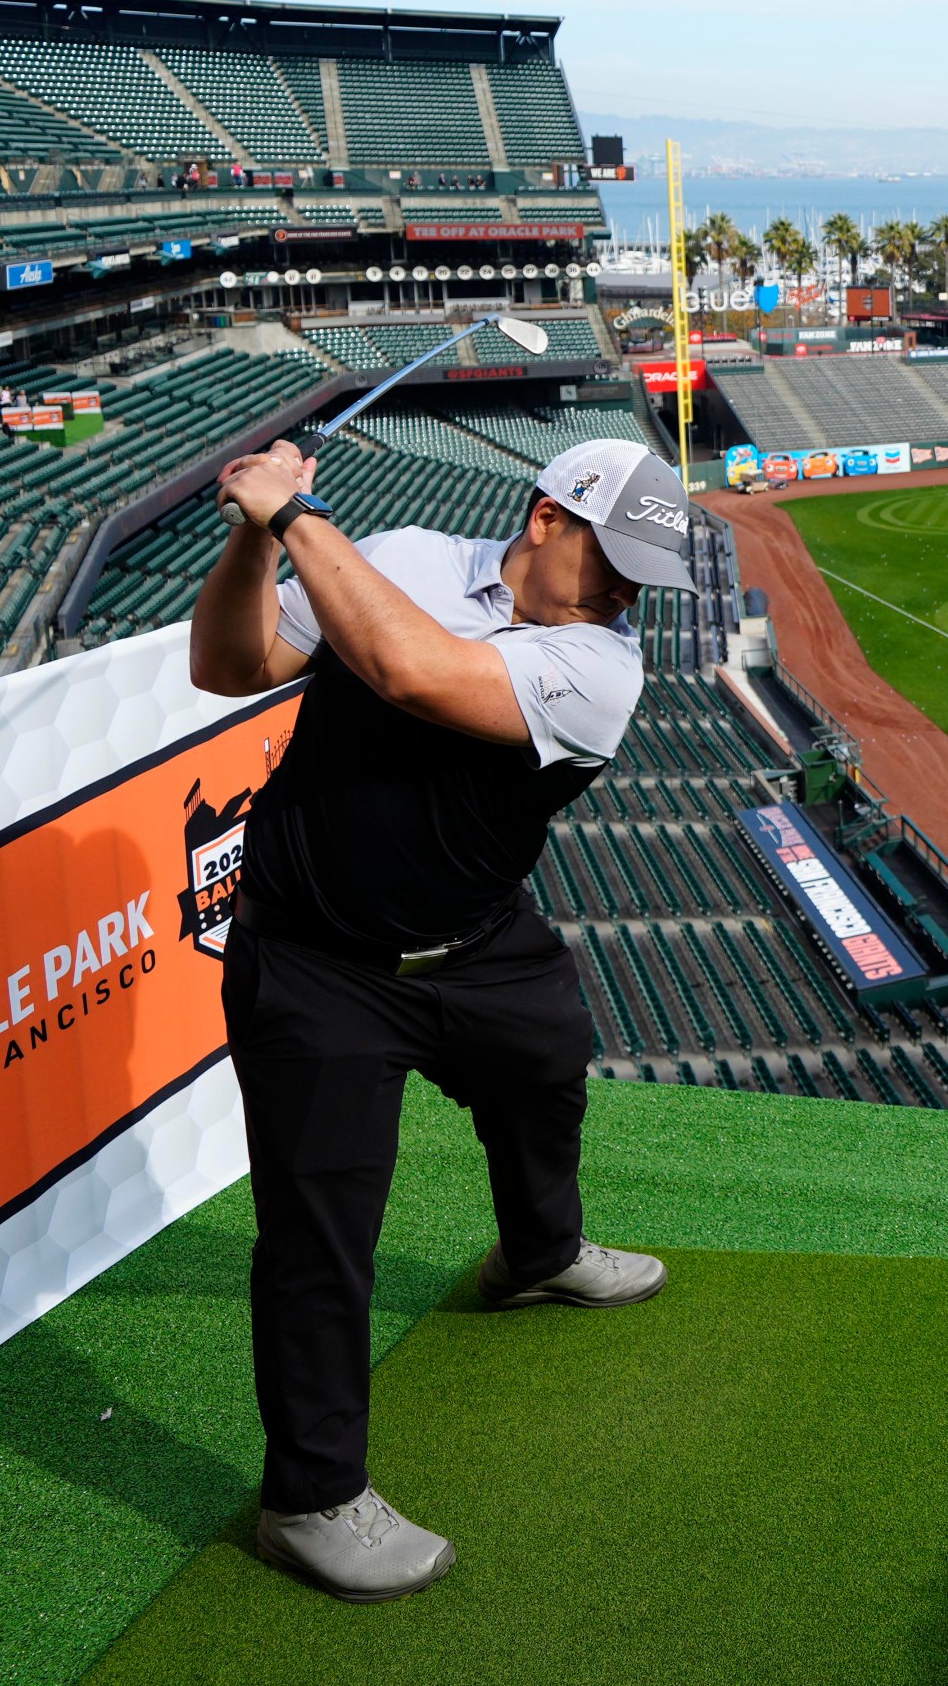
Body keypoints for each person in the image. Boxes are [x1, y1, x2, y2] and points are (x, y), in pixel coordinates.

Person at [188, 431, 698, 1602]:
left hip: (475, 944)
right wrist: (249, 541)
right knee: (321, 1236)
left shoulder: (605, 666)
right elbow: (232, 666)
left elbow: (415, 672)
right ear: (544, 518)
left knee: (550, 1059)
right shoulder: (407, 555)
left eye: (640, 577)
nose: (624, 594)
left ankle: (538, 1252)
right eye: (610, 558)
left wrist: (297, 520)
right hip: (313, 960)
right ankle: (309, 1500)